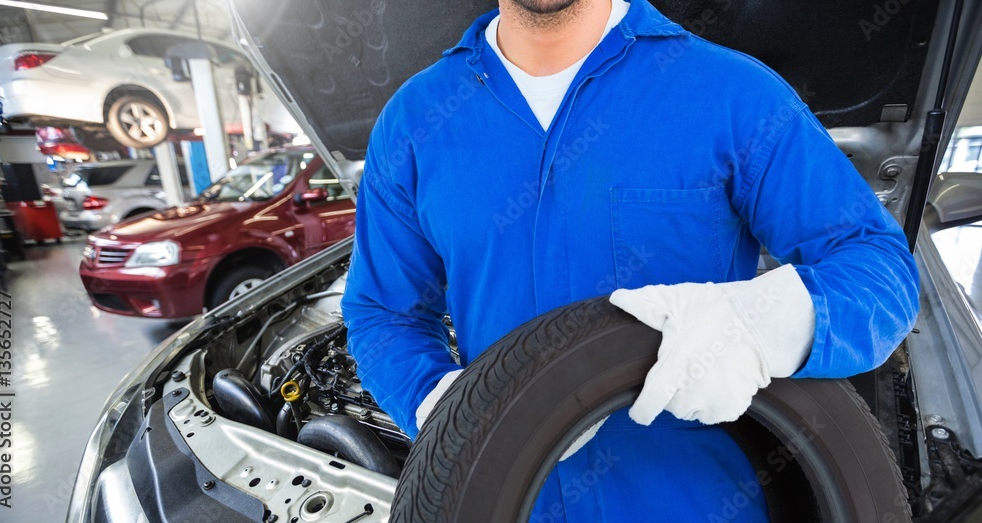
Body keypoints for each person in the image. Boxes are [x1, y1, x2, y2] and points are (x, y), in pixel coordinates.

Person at [340, 0, 920, 520]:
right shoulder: (416, 122)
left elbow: (878, 271)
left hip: (699, 504)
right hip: (503, 501)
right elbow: (383, 312)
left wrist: (760, 325)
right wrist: (437, 403)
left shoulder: (729, 94)